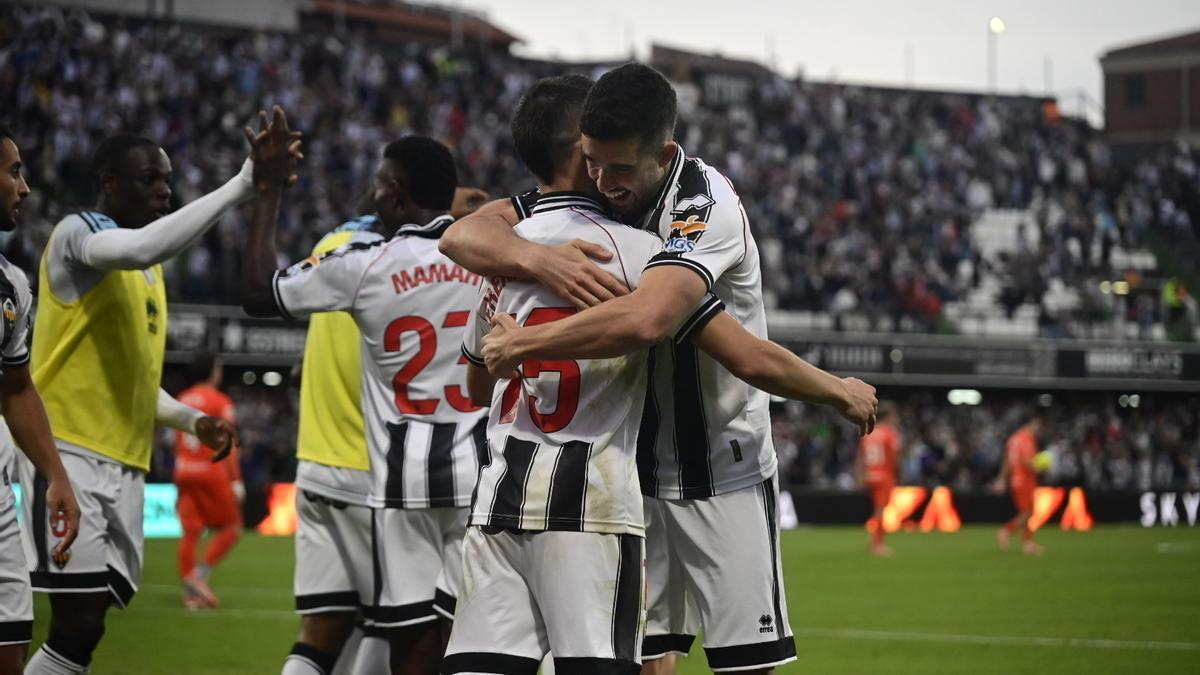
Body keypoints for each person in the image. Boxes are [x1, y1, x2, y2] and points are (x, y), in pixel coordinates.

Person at [443, 63, 877, 675]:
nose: (603, 181)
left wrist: (523, 346)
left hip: (721, 460)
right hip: (632, 468)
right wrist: (539, 260)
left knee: (745, 663)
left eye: (619, 168)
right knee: (648, 657)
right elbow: (465, 234)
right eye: (591, 162)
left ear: (664, 153)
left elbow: (660, 324)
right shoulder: (596, 202)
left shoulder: (702, 206)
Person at [15, 114, 296, 673]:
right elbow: (141, 247)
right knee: (76, 622)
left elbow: (138, 385)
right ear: (108, 182)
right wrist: (245, 182)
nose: (163, 189)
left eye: (166, 178)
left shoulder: (147, 276)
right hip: (67, 455)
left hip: (125, 465)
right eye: (148, 179)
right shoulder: (77, 234)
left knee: (88, 629)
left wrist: (192, 420)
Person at [242, 117, 487, 675]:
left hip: (402, 482)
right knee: (486, 639)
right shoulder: (494, 255)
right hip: (478, 477)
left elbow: (258, 291)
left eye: (379, 184)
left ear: (397, 196)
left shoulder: (362, 264)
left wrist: (268, 191)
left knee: (410, 643)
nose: (373, 193)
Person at [0, 126, 81, 675]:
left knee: (12, 644)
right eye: (12, 171)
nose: (25, 187)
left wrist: (56, 475)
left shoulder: (12, 286)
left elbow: (16, 388)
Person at [173, 352, 243, 609]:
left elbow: (175, 440)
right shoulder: (220, 401)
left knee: (191, 531)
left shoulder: (182, 399)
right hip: (209, 470)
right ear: (213, 371)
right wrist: (235, 481)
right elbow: (228, 443)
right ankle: (199, 577)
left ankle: (191, 594)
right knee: (232, 526)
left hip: (183, 470)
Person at [857, 402, 901, 556]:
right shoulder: (890, 433)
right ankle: (877, 545)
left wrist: (860, 476)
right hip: (884, 475)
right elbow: (895, 457)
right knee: (880, 510)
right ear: (888, 416)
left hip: (870, 474)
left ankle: (874, 542)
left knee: (878, 509)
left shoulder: (870, 432)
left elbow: (861, 457)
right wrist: (899, 474)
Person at [996, 414, 1044, 556]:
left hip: (1015, 479)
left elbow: (1007, 461)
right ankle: (1006, 531)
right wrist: (1040, 466)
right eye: (1036, 425)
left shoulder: (1013, 439)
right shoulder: (1026, 439)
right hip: (1025, 480)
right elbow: (1027, 461)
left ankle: (1028, 544)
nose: (1037, 428)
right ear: (1030, 424)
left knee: (1028, 512)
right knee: (1027, 512)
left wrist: (1002, 479)